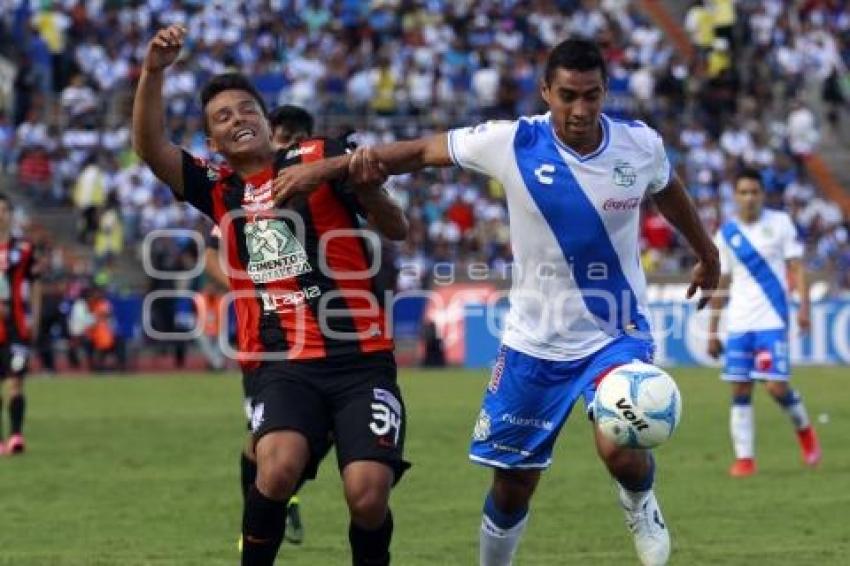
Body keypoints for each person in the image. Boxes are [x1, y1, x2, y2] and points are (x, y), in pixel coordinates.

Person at [274, 38, 720, 566]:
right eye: (569, 96)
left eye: (593, 96)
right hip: (534, 340)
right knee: (512, 485)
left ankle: (640, 501)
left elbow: (667, 188)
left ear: (605, 92)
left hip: (614, 329)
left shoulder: (639, 145)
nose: (581, 110)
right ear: (546, 92)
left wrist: (707, 253)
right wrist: (322, 171)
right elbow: (417, 152)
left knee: (620, 444)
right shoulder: (510, 142)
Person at [133, 25, 409, 566]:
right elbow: (149, 146)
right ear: (212, 142)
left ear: (266, 119)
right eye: (222, 117)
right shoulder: (218, 189)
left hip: (362, 360)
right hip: (283, 364)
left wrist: (362, 182)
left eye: (245, 109)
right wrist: (153, 72)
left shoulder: (320, 157)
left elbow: (393, 224)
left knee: (367, 493)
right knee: (276, 467)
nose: (237, 119)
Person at [203, 104, 323, 546]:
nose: (288, 144)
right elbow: (211, 257)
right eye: (282, 135)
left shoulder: (321, 192)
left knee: (318, 429)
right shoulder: (249, 195)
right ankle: (256, 519)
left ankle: (279, 495)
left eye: (297, 137)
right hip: (265, 340)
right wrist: (251, 285)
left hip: (323, 338)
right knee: (260, 432)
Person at [708, 168, 821, 477]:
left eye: (754, 192)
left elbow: (797, 268)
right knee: (740, 389)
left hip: (772, 318)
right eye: (743, 192)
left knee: (775, 386)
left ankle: (805, 430)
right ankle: (745, 459)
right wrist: (712, 330)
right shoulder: (727, 233)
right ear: (735, 196)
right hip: (739, 322)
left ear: (762, 195)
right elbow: (723, 282)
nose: (749, 198)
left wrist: (804, 307)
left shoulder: (780, 224)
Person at [0, 193, 42, 455]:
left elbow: (35, 282)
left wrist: (35, 317)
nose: (0, 215)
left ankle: (16, 435)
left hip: (17, 326)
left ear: (10, 214)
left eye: (4, 210)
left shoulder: (24, 249)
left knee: (16, 381)